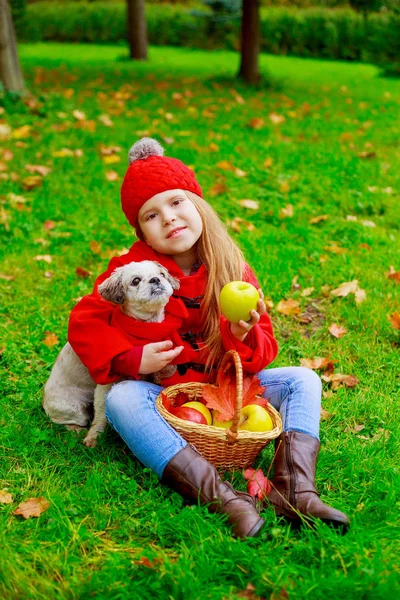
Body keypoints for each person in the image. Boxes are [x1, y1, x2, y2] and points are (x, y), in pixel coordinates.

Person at [68, 137, 349, 538]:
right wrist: (132, 360)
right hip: (163, 393)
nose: (168, 217)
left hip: (223, 388)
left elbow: (263, 350)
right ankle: (223, 498)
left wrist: (241, 335)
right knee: (121, 399)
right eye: (151, 214)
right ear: (142, 232)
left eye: (177, 202)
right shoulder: (132, 268)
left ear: (198, 204)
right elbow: (86, 321)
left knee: (303, 380)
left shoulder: (231, 267)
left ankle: (295, 489)